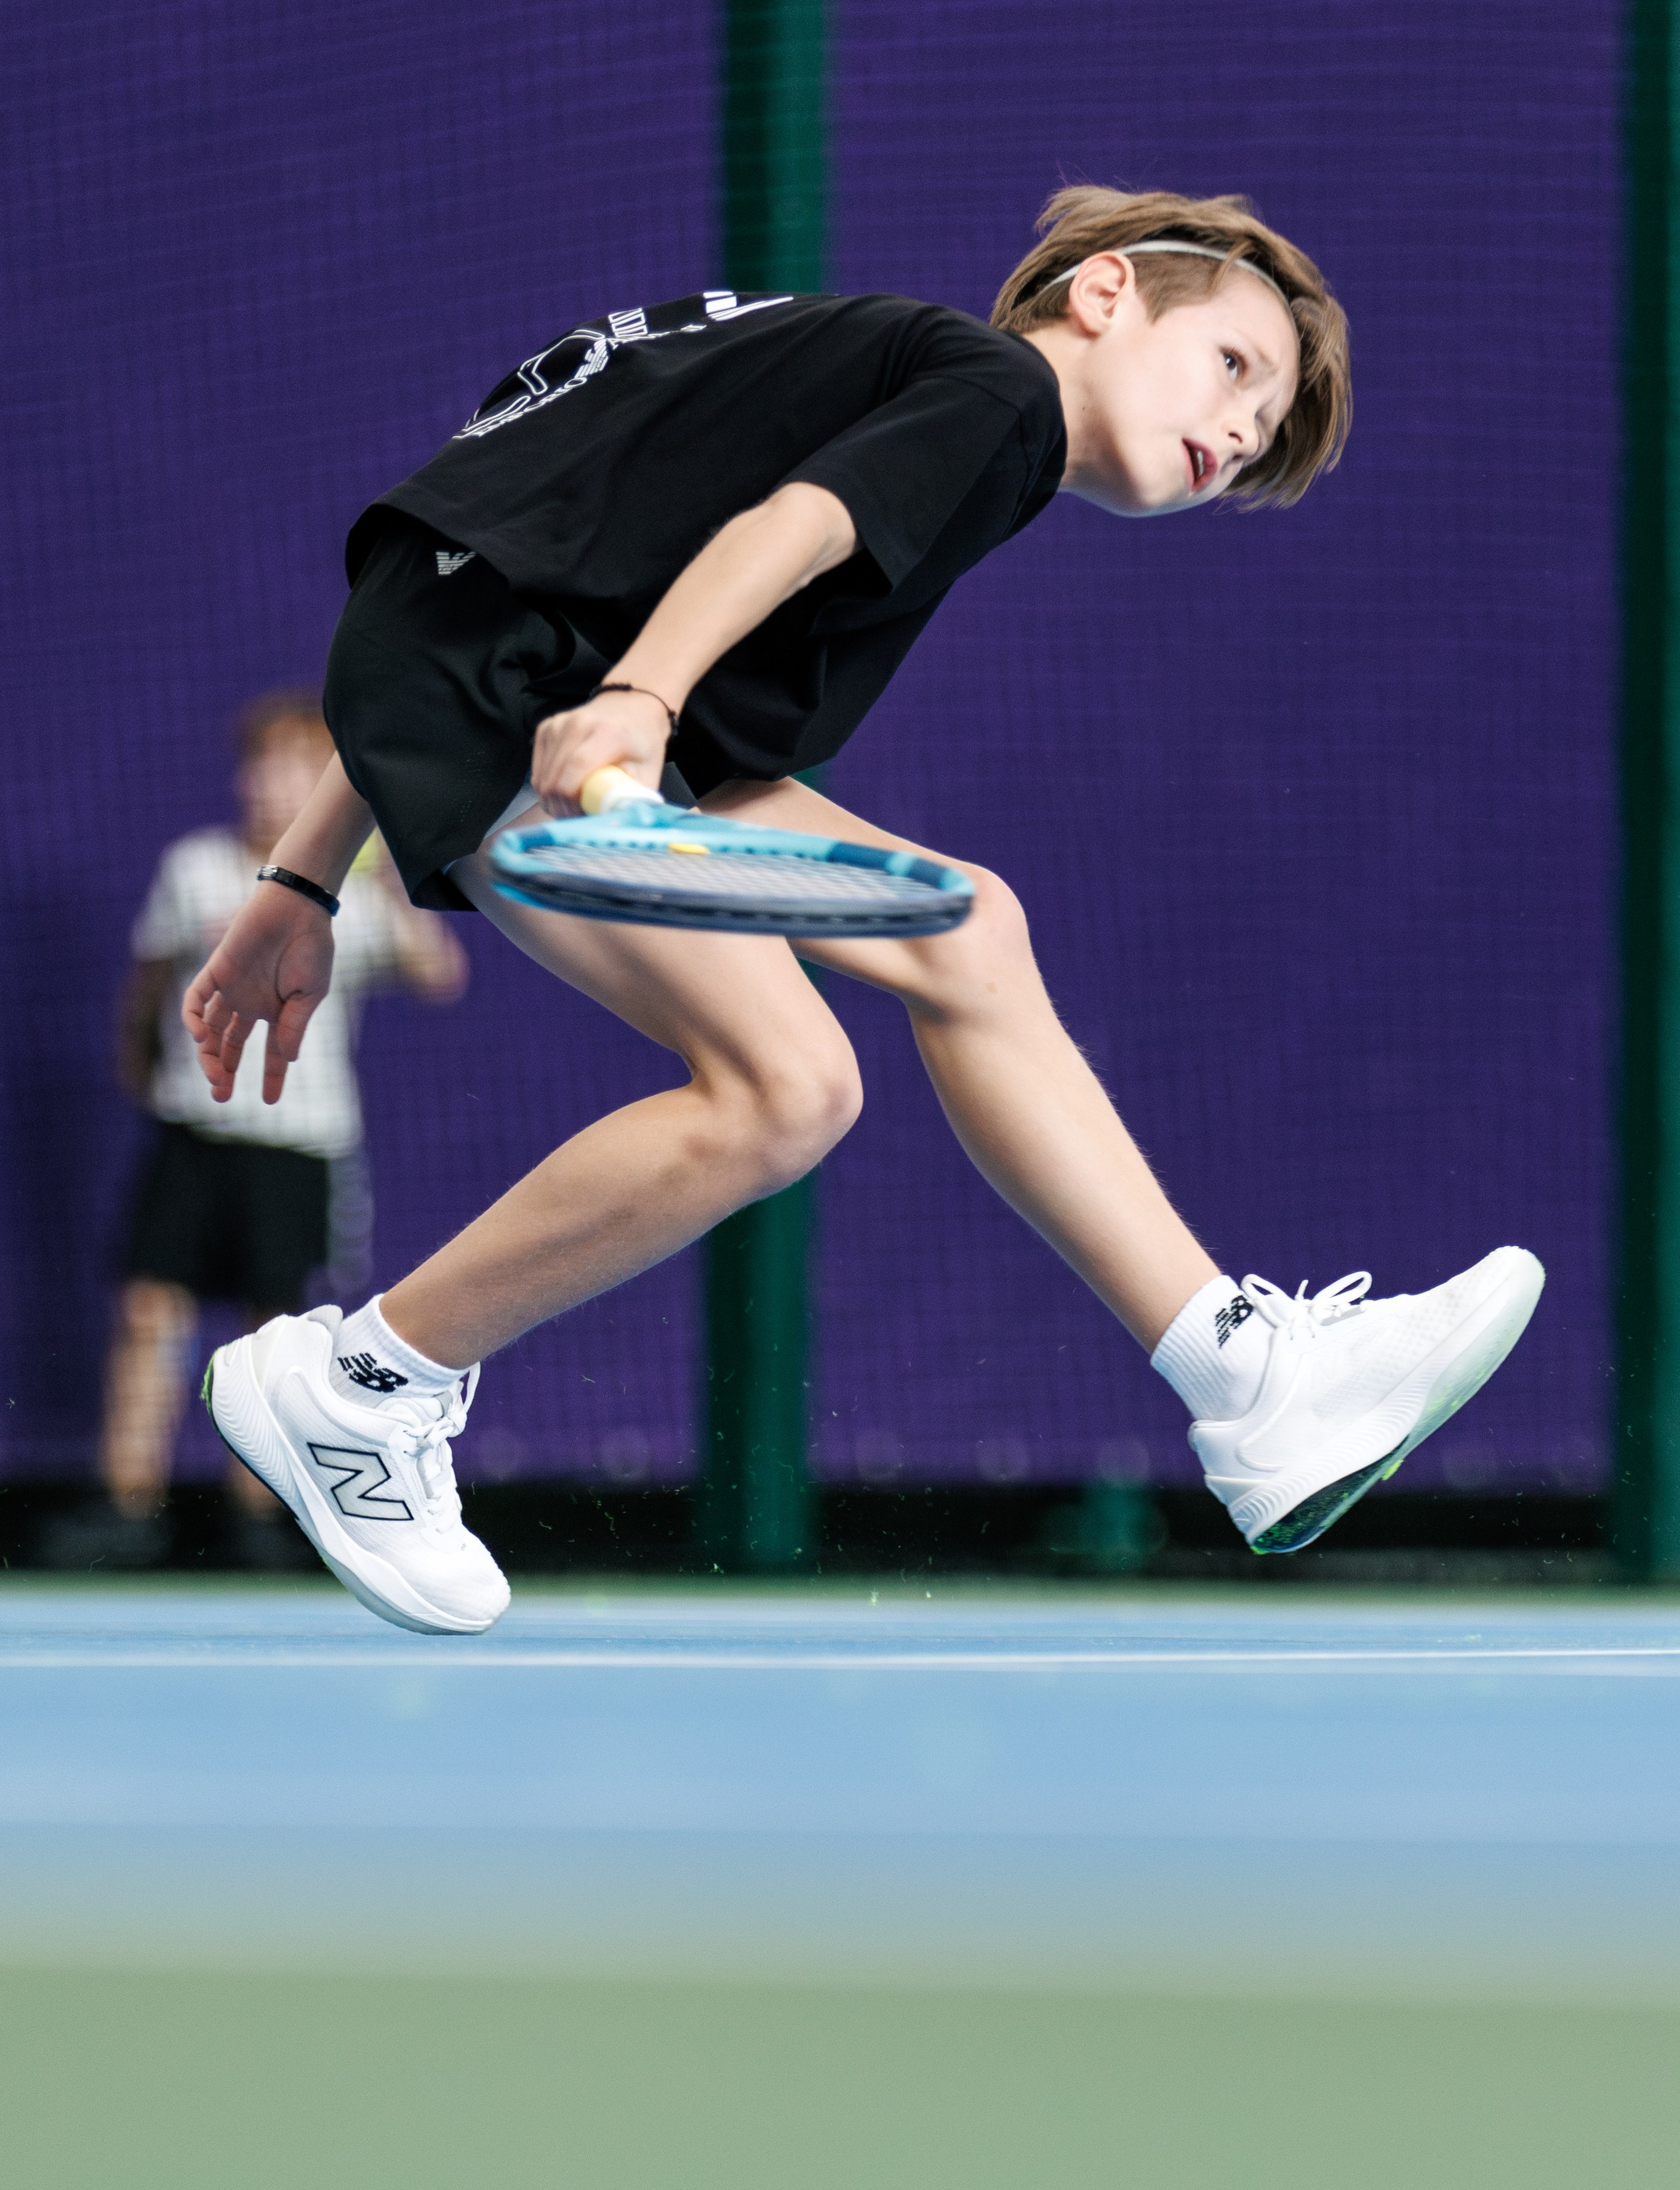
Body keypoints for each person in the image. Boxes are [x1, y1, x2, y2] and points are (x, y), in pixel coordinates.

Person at [185, 186, 1545, 1634]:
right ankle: (362, 1385)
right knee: (786, 1088)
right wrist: (640, 698)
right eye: (1232, 368)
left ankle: (1237, 1371)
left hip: (516, 668)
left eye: (1260, 437)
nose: (1236, 434)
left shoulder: (889, 370)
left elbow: (477, 554)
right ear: (1098, 297)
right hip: (551, 688)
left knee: (968, 929)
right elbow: (796, 523)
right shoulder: (995, 395)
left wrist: (304, 871)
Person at [50, 691, 467, 1572]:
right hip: (193, 1135)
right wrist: (148, 1071)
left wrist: (384, 865)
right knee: (148, 1310)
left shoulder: (352, 890)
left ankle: (260, 1520)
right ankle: (127, 1507)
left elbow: (438, 974)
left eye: (292, 767)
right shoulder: (194, 868)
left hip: (300, 1148)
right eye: (257, 764)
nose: (266, 783)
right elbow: (149, 986)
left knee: (271, 1333)